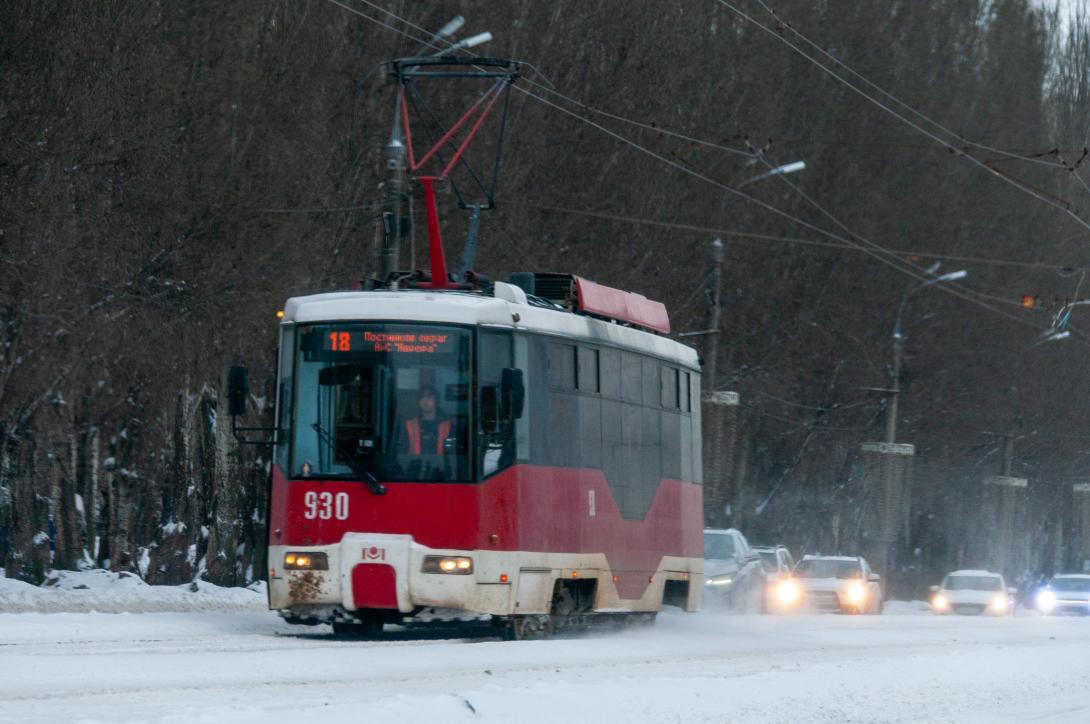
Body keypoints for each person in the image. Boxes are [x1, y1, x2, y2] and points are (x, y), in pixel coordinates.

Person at [404, 385, 451, 455]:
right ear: (418, 402)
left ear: (436, 401)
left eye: (429, 397)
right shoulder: (409, 425)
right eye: (421, 397)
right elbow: (402, 452)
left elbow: (452, 454)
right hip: (415, 465)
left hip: (440, 465)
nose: (425, 401)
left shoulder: (448, 426)